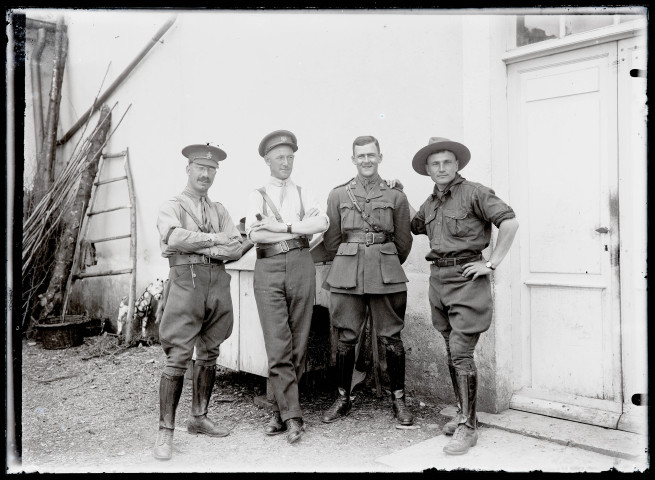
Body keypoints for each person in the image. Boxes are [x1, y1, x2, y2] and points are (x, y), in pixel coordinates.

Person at [409, 137, 519, 455]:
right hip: (439, 281)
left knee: (460, 351)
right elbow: (415, 225)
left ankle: (468, 428)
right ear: (428, 170)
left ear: (456, 164)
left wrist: (491, 263)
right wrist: (397, 190)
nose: (441, 168)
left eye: (447, 162)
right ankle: (463, 414)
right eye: (435, 163)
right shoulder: (431, 203)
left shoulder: (475, 192)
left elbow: (509, 222)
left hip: (467, 280)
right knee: (451, 349)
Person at [153, 143, 243, 460]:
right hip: (186, 283)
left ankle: (199, 418)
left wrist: (197, 245)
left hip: (216, 283)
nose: (205, 174)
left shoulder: (219, 210)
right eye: (200, 168)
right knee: (178, 356)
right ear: (188, 169)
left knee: (210, 352)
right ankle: (166, 433)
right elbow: (172, 237)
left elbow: (235, 247)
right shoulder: (172, 205)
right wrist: (214, 239)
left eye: (211, 169)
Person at [321, 135, 414, 426]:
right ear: (353, 160)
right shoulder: (338, 195)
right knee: (346, 337)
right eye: (360, 156)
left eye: (371, 155)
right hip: (347, 272)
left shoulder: (396, 196)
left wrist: (383, 261)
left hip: (385, 271)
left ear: (380, 157)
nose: (366, 160)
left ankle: (398, 399)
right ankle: (342, 397)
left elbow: (403, 241)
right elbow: (333, 239)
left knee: (391, 337)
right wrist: (352, 257)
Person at [245, 130, 329, 444]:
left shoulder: (305, 193)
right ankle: (293, 416)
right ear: (267, 161)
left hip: (301, 266)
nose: (286, 162)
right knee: (278, 343)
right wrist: (298, 229)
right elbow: (255, 236)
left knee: (300, 341)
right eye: (280, 157)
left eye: (290, 156)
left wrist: (280, 227)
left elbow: (320, 225)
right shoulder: (256, 194)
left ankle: (277, 410)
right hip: (267, 268)